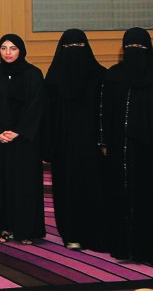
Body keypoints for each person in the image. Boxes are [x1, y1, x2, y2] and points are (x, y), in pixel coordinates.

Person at [42, 28, 106, 251]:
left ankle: (95, 232)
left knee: (93, 187)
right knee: (66, 189)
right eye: (69, 48)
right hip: (64, 146)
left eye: (79, 48)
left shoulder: (99, 76)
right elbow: (47, 117)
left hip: (92, 147)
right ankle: (71, 233)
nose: (74, 53)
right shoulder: (53, 80)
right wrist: (49, 146)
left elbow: (105, 113)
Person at [0, 34, 44, 245]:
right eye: (4, 48)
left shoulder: (33, 74)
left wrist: (18, 131)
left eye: (13, 48)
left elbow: (36, 107)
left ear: (21, 51)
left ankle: (25, 230)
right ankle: (2, 227)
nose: (7, 53)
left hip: (24, 142)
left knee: (24, 186)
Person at [101, 28, 153, 264]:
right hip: (119, 148)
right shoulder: (114, 76)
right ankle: (123, 246)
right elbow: (105, 112)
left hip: (148, 149)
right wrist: (104, 141)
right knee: (121, 195)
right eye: (130, 48)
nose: (135, 53)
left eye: (141, 49)